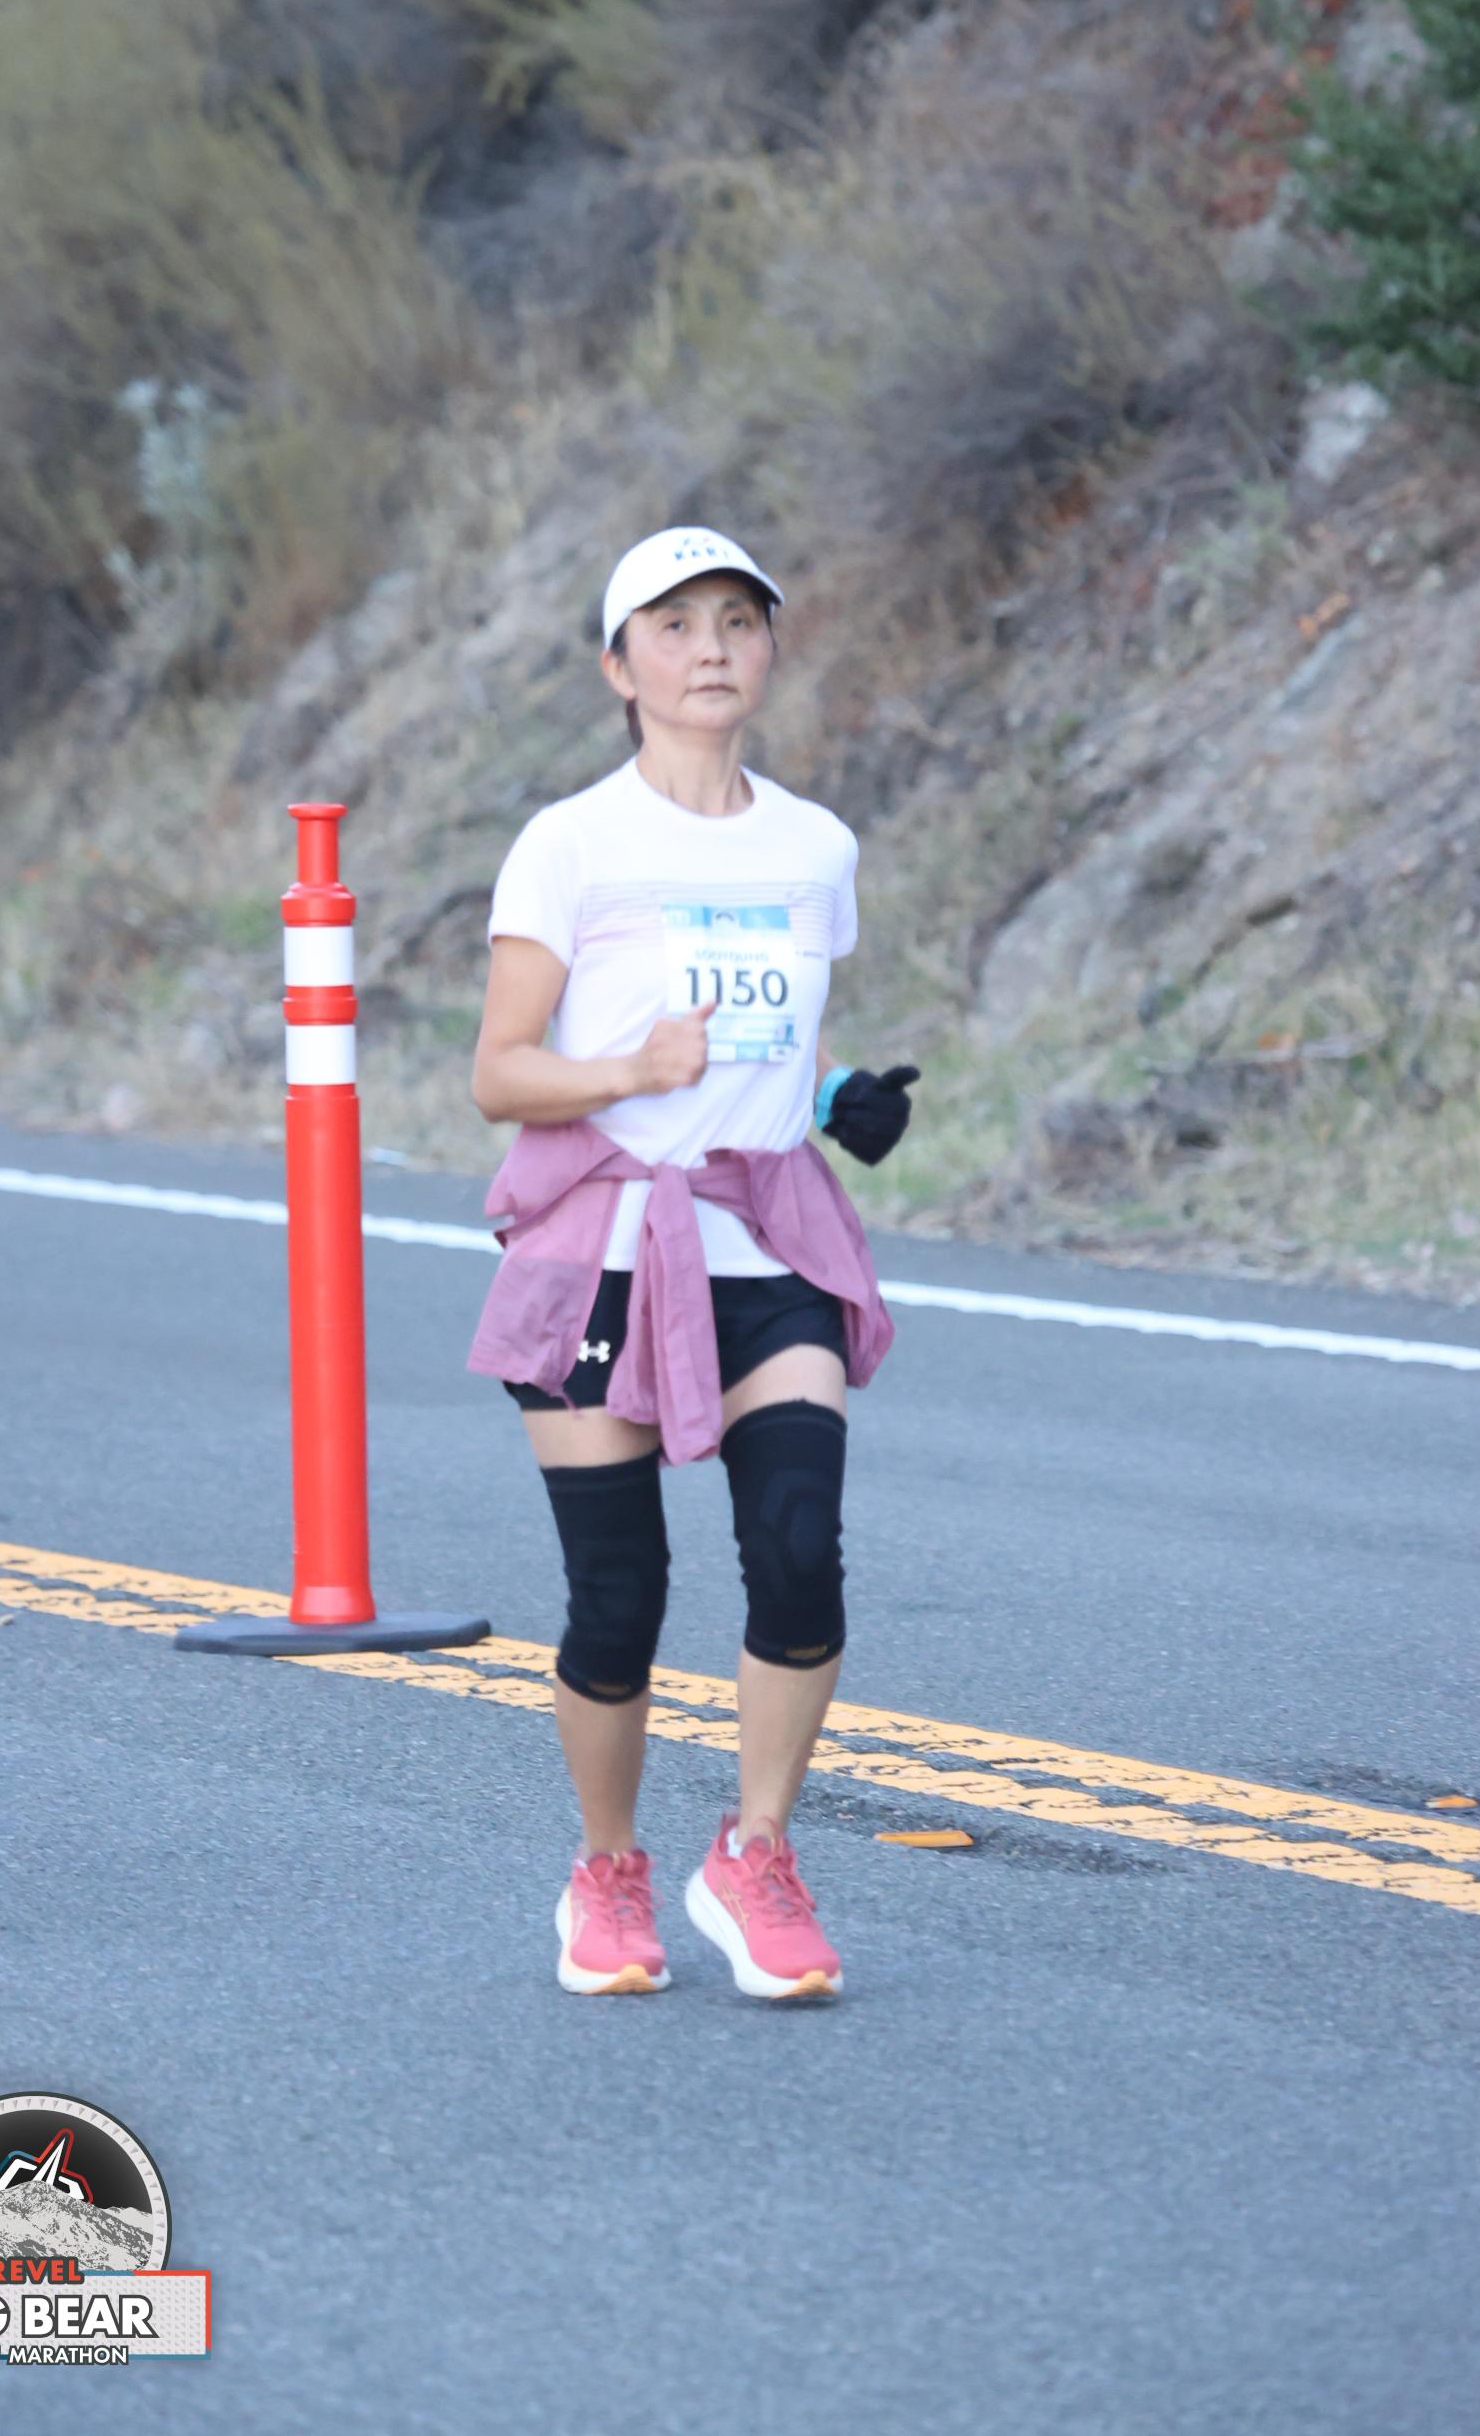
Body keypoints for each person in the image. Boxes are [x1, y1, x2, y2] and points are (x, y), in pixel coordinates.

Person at [467, 525, 919, 2002]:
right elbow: (500, 1072)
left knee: (798, 1545)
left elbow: (782, 1034)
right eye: (673, 626)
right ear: (621, 668)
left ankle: (757, 1852)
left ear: (770, 648)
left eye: (737, 619)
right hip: (601, 1246)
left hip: (766, 1237)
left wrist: (840, 1096)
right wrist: (627, 1069)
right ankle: (607, 1871)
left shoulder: (814, 848)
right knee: (620, 1595)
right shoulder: (573, 845)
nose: (711, 646)